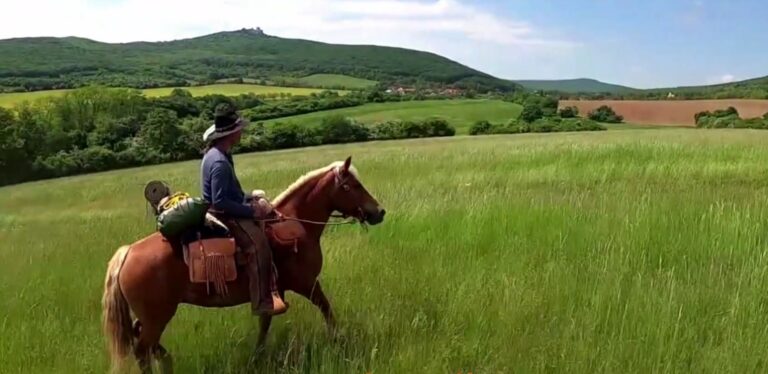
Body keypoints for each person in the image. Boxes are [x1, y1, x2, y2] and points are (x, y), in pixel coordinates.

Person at [200, 105, 287, 316]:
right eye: (239, 129)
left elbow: (231, 192)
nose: (241, 131)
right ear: (231, 134)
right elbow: (220, 201)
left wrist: (250, 197)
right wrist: (251, 212)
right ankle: (262, 302)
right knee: (259, 247)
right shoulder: (220, 162)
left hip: (227, 207)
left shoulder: (220, 154)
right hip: (223, 214)